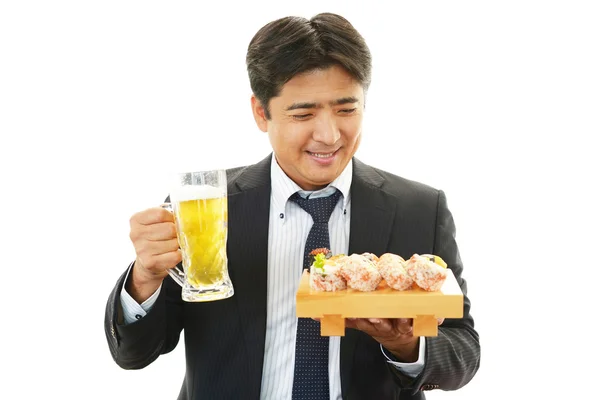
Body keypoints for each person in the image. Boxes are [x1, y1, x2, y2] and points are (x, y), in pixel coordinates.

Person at [104, 12, 480, 400]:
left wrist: (406, 346)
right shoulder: (206, 210)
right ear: (260, 112)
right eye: (303, 114)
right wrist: (144, 278)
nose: (329, 135)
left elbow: (463, 352)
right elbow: (134, 354)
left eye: (346, 110)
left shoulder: (418, 208)